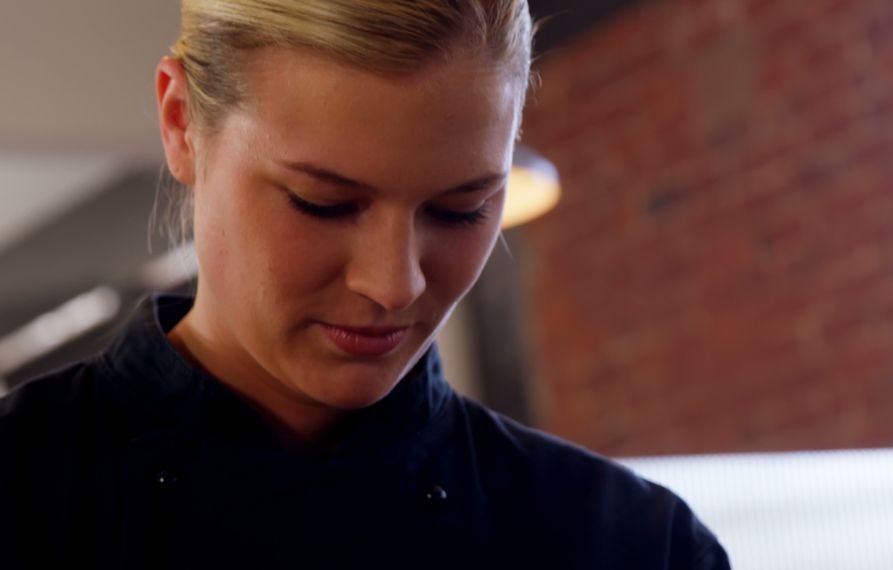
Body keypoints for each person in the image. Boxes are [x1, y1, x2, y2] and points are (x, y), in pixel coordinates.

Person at [0, 1, 730, 568]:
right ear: (182, 121)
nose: (394, 284)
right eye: (324, 204)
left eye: (461, 209)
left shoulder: (632, 547)